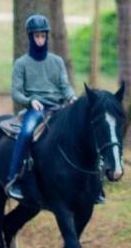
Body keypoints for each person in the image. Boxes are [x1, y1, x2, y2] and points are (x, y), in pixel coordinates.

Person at [5, 13, 77, 203]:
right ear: (30, 37)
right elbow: (16, 92)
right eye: (36, 36)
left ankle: (94, 182)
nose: (40, 39)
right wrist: (30, 101)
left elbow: (64, 85)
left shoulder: (57, 61)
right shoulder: (21, 64)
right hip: (36, 108)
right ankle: (14, 178)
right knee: (27, 131)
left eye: (43, 35)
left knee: (81, 129)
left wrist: (71, 97)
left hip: (58, 107)